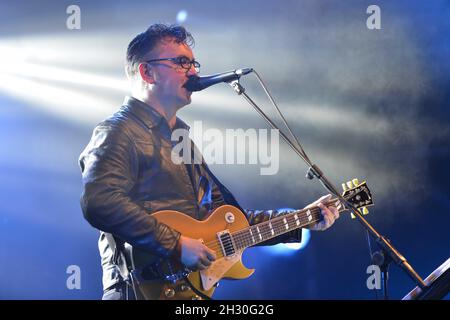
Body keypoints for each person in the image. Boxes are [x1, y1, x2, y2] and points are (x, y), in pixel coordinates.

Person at [79, 23, 340, 300]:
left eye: (194, 64)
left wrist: (302, 219)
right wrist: (177, 245)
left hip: (187, 294)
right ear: (147, 72)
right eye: (181, 63)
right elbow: (99, 201)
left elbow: (228, 218)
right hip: (137, 290)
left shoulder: (182, 139)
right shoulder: (118, 131)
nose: (194, 72)